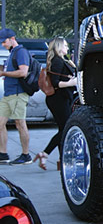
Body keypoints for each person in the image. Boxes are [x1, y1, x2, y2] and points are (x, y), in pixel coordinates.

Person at [34, 37, 77, 170]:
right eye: (65, 45)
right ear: (58, 47)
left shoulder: (62, 60)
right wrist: (71, 82)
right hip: (58, 99)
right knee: (66, 129)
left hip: (61, 98)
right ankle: (45, 153)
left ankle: (61, 160)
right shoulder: (57, 61)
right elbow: (55, 82)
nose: (67, 48)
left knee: (62, 129)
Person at [0, 28, 32, 164]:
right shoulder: (11, 53)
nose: (3, 44)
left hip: (18, 94)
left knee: (20, 124)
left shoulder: (21, 52)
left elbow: (23, 72)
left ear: (12, 39)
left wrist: (3, 73)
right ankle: (3, 154)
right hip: (8, 94)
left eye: (4, 42)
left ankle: (26, 155)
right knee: (0, 123)